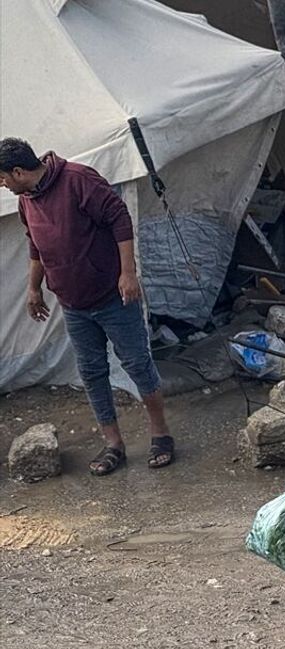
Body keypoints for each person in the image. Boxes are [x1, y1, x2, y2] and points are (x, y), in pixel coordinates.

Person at [1, 137, 174, 475]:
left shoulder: (78, 180)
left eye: (3, 178)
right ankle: (113, 444)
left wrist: (128, 273)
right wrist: (34, 289)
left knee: (137, 364)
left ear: (19, 171)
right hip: (73, 303)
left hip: (112, 296)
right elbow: (36, 247)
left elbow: (119, 218)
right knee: (92, 373)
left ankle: (161, 434)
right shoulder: (27, 202)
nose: (3, 185)